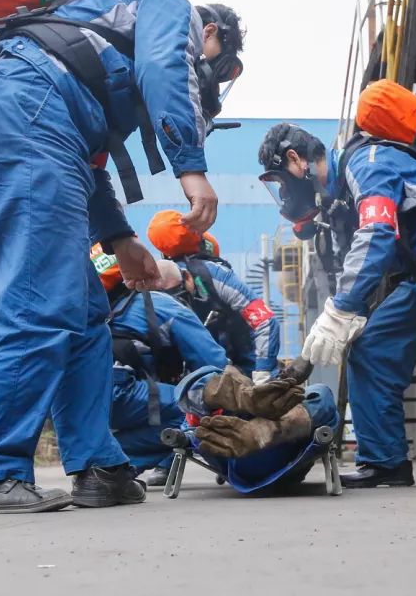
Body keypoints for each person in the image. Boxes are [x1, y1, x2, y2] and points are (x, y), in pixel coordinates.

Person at [0, 0, 245, 513]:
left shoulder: (88, 57)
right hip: (28, 122)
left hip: (29, 126)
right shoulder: (169, 5)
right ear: (209, 31)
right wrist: (191, 167)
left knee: (85, 314)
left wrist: (119, 239)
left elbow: (87, 164)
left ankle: (99, 467)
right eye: (215, 61)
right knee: (39, 304)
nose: (206, 73)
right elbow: (166, 69)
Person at [256, 106, 416, 490]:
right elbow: (360, 268)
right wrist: (343, 319)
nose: (283, 193)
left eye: (280, 181)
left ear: (295, 161)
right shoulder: (341, 199)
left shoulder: (367, 163)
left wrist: (341, 309)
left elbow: (377, 234)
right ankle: (385, 462)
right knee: (371, 348)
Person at [88, 245, 226, 486]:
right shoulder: (158, 304)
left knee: (167, 408)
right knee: (194, 406)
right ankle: (114, 464)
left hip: (81, 398)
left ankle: (99, 462)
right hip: (120, 389)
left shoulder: (92, 314)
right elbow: (212, 361)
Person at [146, 210, 280, 382]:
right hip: (202, 383)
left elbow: (264, 321)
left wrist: (262, 374)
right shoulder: (160, 289)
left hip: (247, 371)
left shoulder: (214, 276)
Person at [175, 362, 339, 494]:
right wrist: (244, 396)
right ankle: (250, 408)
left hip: (269, 457)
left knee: (319, 394)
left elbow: (186, 405)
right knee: (321, 393)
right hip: (257, 454)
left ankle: (262, 429)